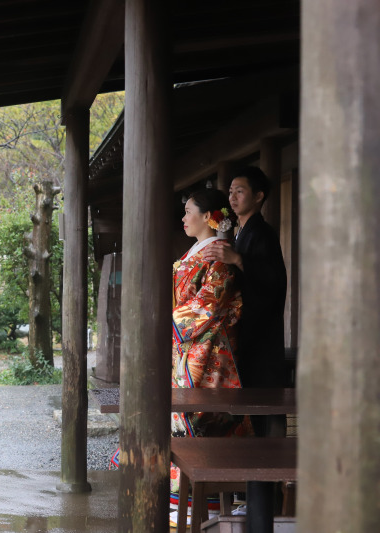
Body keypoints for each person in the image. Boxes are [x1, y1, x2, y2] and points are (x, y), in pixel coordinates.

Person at [204, 167, 288, 531]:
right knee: (252, 431)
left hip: (261, 348)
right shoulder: (241, 232)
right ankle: (253, 510)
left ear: (259, 197)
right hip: (248, 346)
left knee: (266, 433)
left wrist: (238, 261)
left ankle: (264, 513)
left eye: (240, 191)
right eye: (231, 191)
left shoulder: (262, 235)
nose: (233, 196)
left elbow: (273, 283)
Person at [169, 189, 249, 526]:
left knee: (204, 419)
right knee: (183, 421)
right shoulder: (197, 252)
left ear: (207, 216)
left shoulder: (219, 254)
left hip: (209, 352)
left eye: (188, 211)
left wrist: (169, 322)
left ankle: (212, 500)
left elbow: (211, 302)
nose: (184, 217)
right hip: (188, 349)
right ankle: (184, 497)